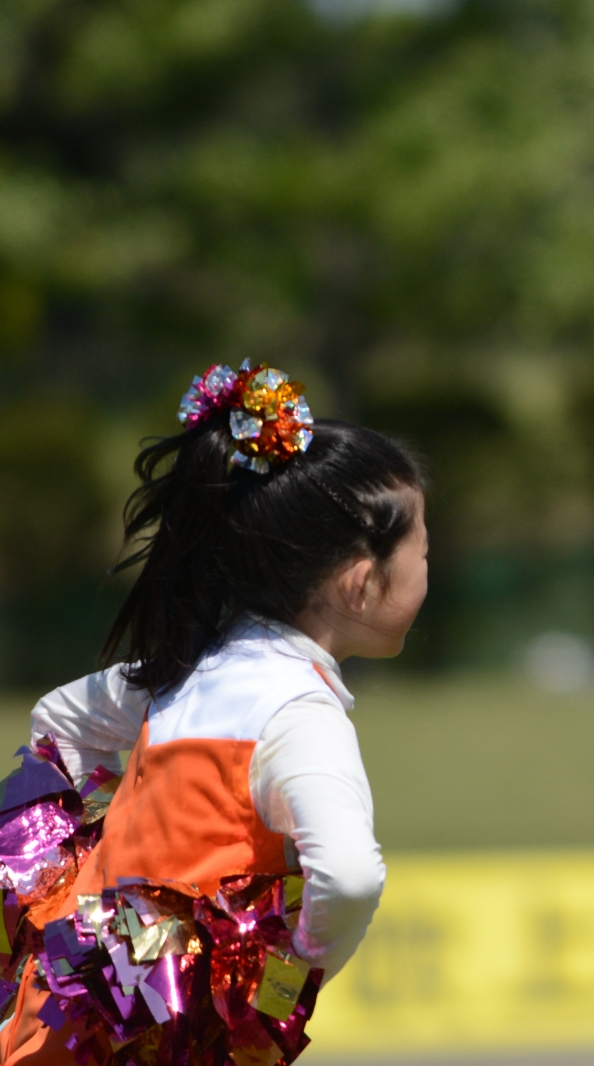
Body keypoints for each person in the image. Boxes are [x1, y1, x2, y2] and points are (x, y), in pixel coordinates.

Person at [2, 362, 427, 1065]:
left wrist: (71, 893)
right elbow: (350, 875)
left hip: (58, 1033)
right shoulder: (300, 715)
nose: (427, 568)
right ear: (362, 582)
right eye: (423, 551)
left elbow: (60, 721)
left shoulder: (185, 673)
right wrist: (287, 974)